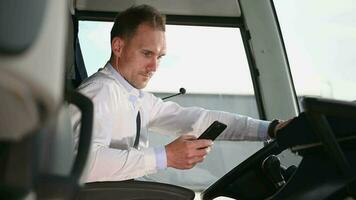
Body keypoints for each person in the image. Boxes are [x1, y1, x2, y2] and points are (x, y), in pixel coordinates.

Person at [70, 4, 286, 182]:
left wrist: (269, 128)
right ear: (118, 47)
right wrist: (165, 156)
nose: (154, 67)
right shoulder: (99, 93)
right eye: (147, 54)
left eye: (160, 56)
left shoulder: (136, 98)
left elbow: (198, 120)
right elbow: (83, 164)